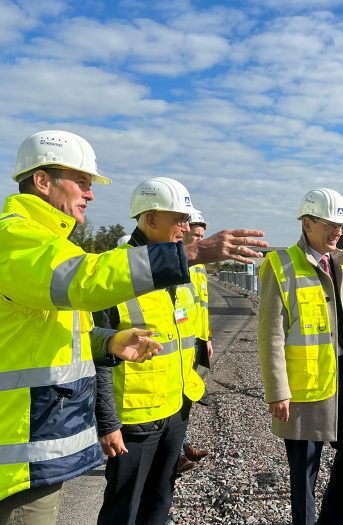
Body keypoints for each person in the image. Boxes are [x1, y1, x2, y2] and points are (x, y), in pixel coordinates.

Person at [0, 130, 266, 524]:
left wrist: (108, 341)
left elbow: (51, 333)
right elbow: (85, 280)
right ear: (42, 180)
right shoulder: (15, 235)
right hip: (18, 444)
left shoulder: (44, 241)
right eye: (82, 182)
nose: (91, 194)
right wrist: (190, 253)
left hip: (39, 433)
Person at [94, 178, 208, 523]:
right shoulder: (113, 272)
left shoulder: (180, 273)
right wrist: (107, 422)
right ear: (150, 218)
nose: (186, 228)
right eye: (179, 220)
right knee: (123, 508)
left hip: (175, 410)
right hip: (134, 420)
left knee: (159, 501)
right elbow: (96, 353)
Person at [257, 188, 343, 525]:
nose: (338, 231)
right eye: (330, 224)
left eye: (341, 224)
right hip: (304, 384)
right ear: (307, 224)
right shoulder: (279, 266)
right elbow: (270, 333)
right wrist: (277, 389)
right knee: (304, 473)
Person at [176, 210, 212, 475]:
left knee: (187, 395)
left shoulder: (198, 265)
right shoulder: (173, 262)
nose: (199, 240)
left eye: (202, 236)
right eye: (195, 235)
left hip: (196, 341)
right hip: (179, 340)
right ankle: (176, 452)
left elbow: (201, 305)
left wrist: (207, 336)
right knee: (177, 396)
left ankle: (182, 444)